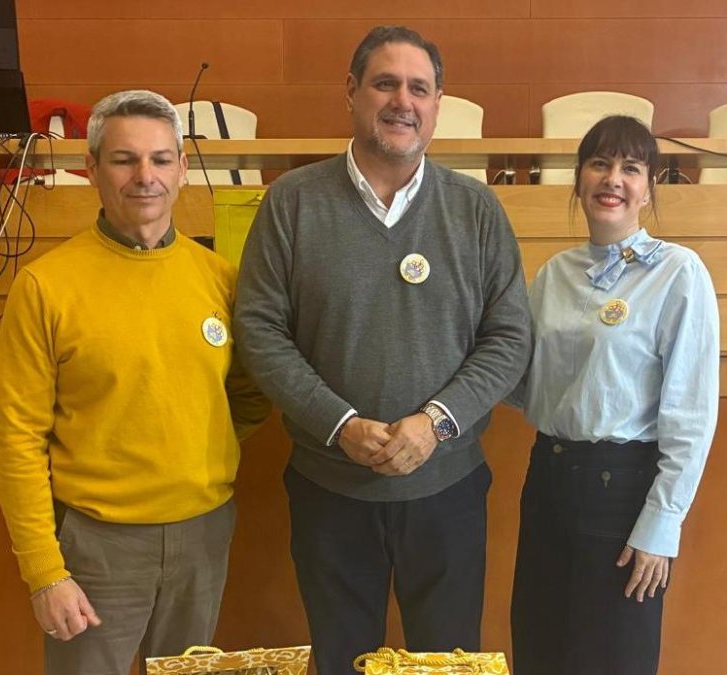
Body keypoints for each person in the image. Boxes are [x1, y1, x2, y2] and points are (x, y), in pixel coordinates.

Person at [233, 25, 531, 675]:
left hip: (448, 488)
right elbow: (259, 329)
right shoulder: (292, 204)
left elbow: (510, 337)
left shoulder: (475, 209)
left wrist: (436, 422)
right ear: (351, 91)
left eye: (419, 88)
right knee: (342, 659)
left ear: (437, 103)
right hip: (328, 490)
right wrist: (337, 424)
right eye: (386, 83)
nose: (403, 101)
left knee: (445, 661)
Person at [0, 89, 269, 675]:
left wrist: (194, 451)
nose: (146, 176)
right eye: (124, 160)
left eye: (161, 159)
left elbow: (248, 395)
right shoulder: (46, 288)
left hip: (203, 536)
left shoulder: (217, 277)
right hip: (97, 548)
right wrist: (45, 571)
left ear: (183, 169)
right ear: (91, 169)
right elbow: (15, 441)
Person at [509, 115, 720, 675]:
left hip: (622, 492)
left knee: (611, 658)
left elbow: (691, 415)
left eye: (631, 167)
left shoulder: (679, 274)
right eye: (600, 163)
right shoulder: (555, 274)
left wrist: (662, 523)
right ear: (579, 179)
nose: (613, 179)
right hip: (548, 478)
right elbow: (521, 380)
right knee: (541, 647)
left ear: (649, 188)